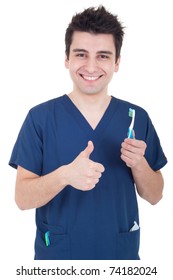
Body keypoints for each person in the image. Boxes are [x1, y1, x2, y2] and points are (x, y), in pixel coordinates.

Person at [9, 5, 167, 260]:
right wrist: (64, 176)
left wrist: (139, 165)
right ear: (66, 59)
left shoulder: (137, 117)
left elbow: (156, 195)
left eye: (103, 56)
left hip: (119, 259)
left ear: (117, 62)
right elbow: (22, 199)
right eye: (81, 54)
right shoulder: (40, 118)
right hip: (59, 261)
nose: (91, 66)